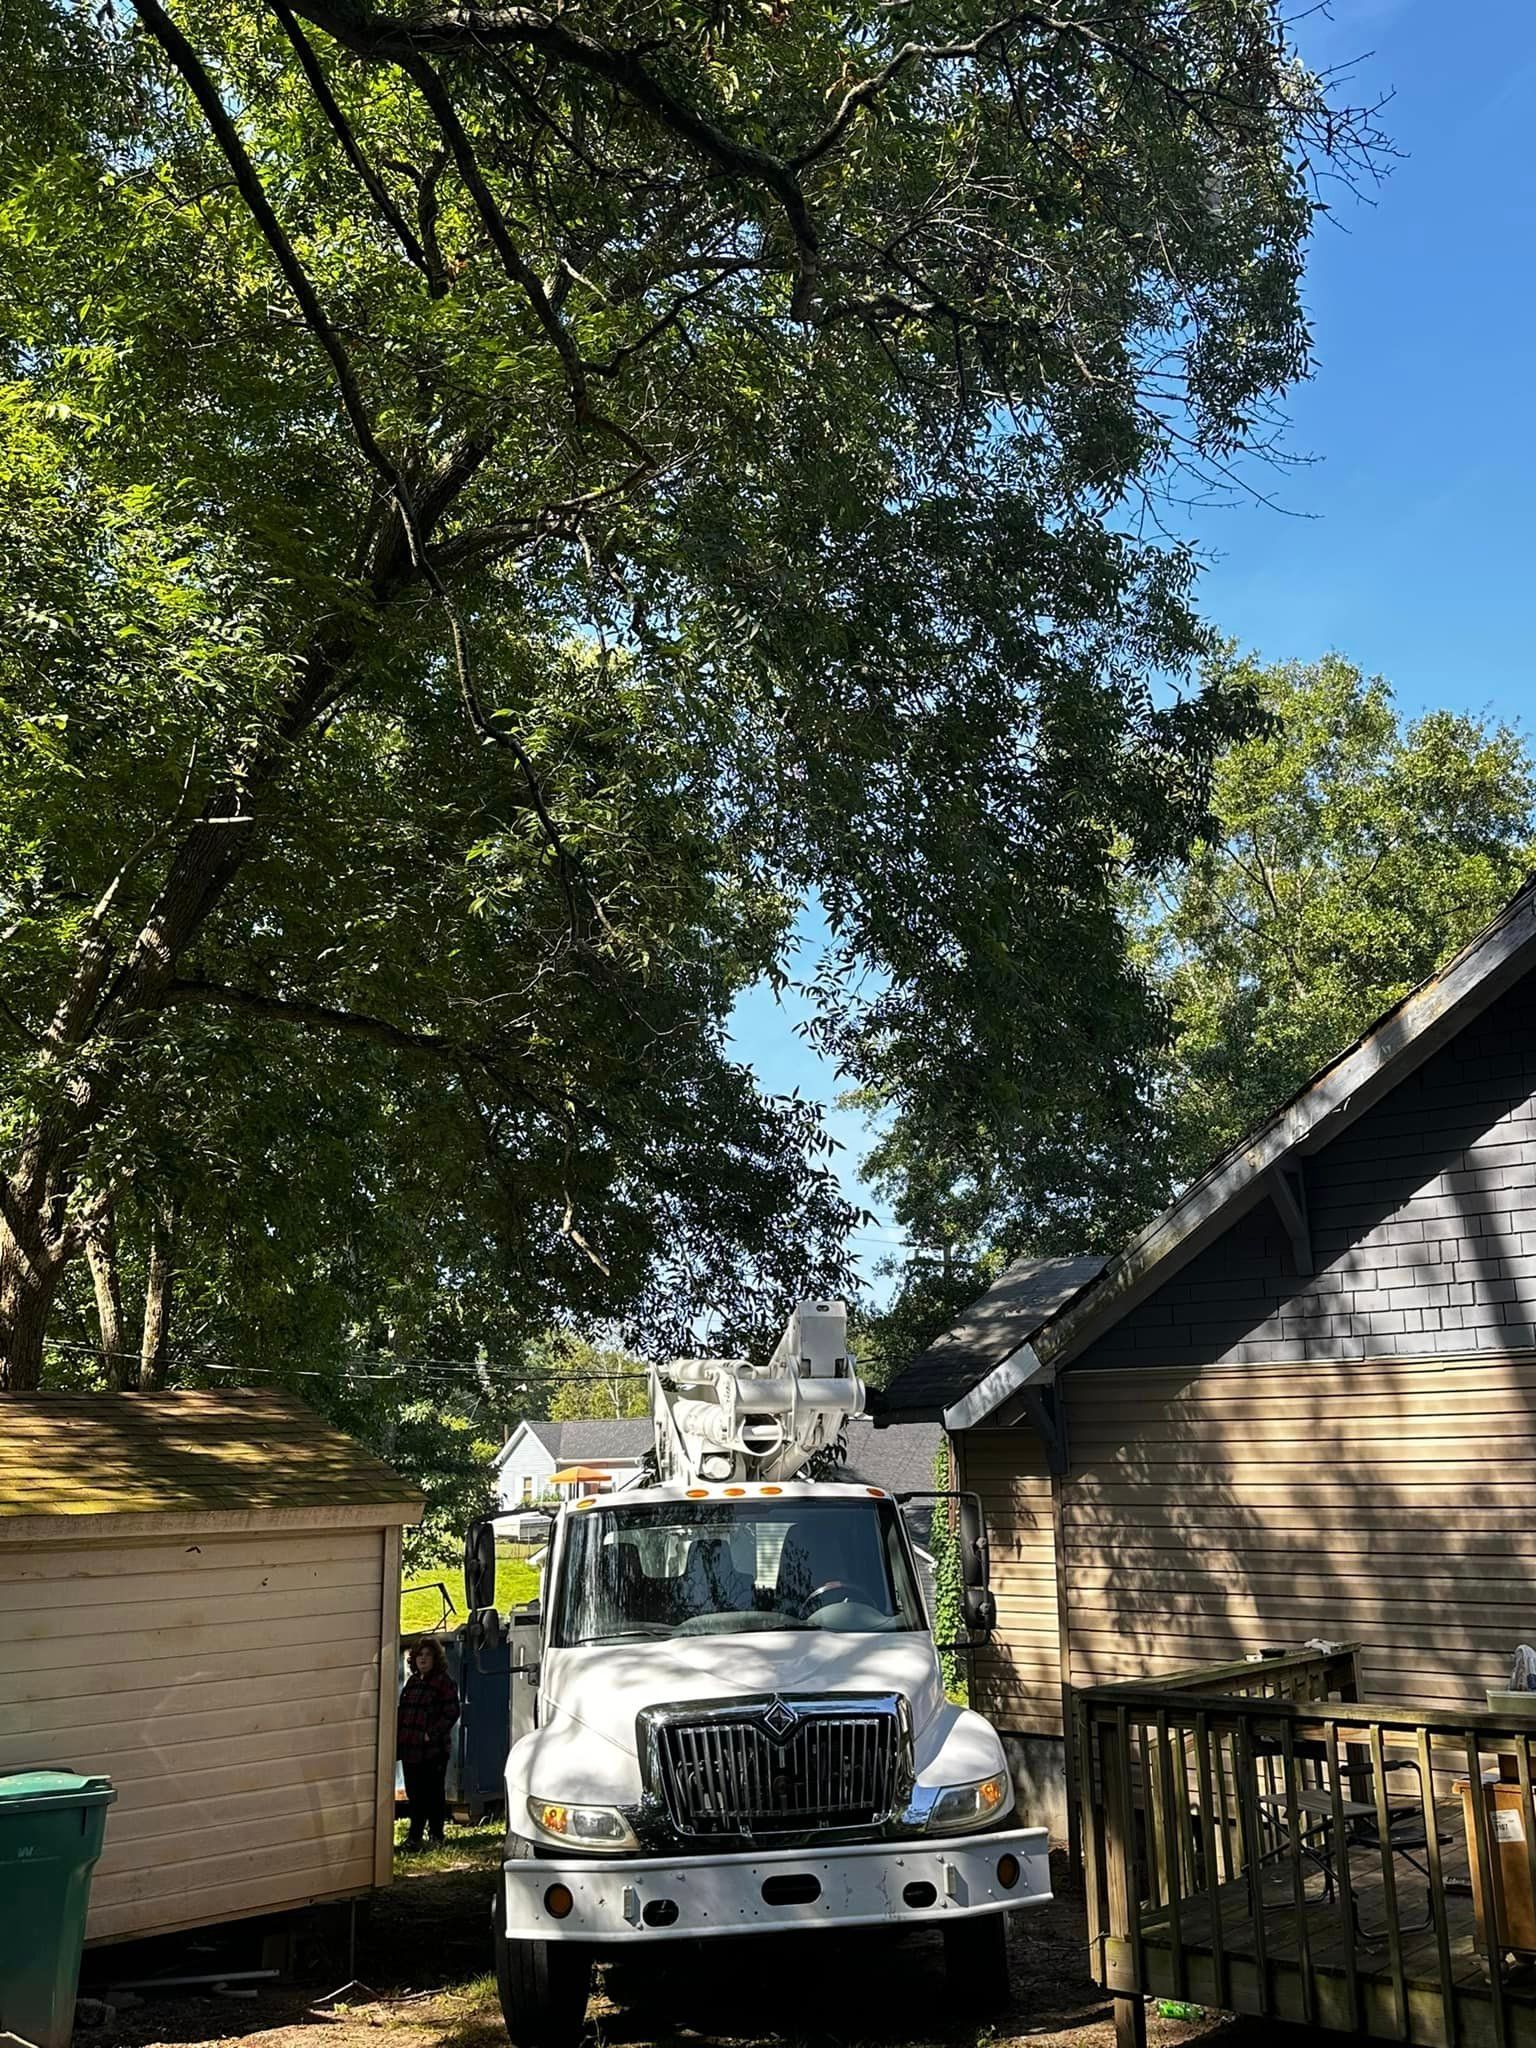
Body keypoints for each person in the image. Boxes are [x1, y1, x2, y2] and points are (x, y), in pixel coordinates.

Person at [397, 1635, 460, 1849]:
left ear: (435, 1659)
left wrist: (431, 1734)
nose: (423, 1659)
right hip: (410, 1749)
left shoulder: (443, 1682)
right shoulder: (412, 1682)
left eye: (428, 1655)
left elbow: (451, 1712)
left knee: (433, 1795)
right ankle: (414, 1837)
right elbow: (403, 1713)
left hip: (433, 1751)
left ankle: (436, 1836)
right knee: (414, 1795)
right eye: (419, 1655)